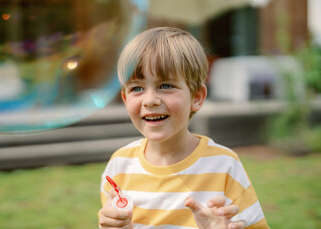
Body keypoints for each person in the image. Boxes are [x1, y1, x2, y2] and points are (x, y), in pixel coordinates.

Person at [99, 27, 269, 229]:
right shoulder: (119, 166)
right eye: (137, 88)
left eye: (166, 86)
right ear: (125, 99)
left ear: (196, 97)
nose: (150, 100)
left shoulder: (224, 166)